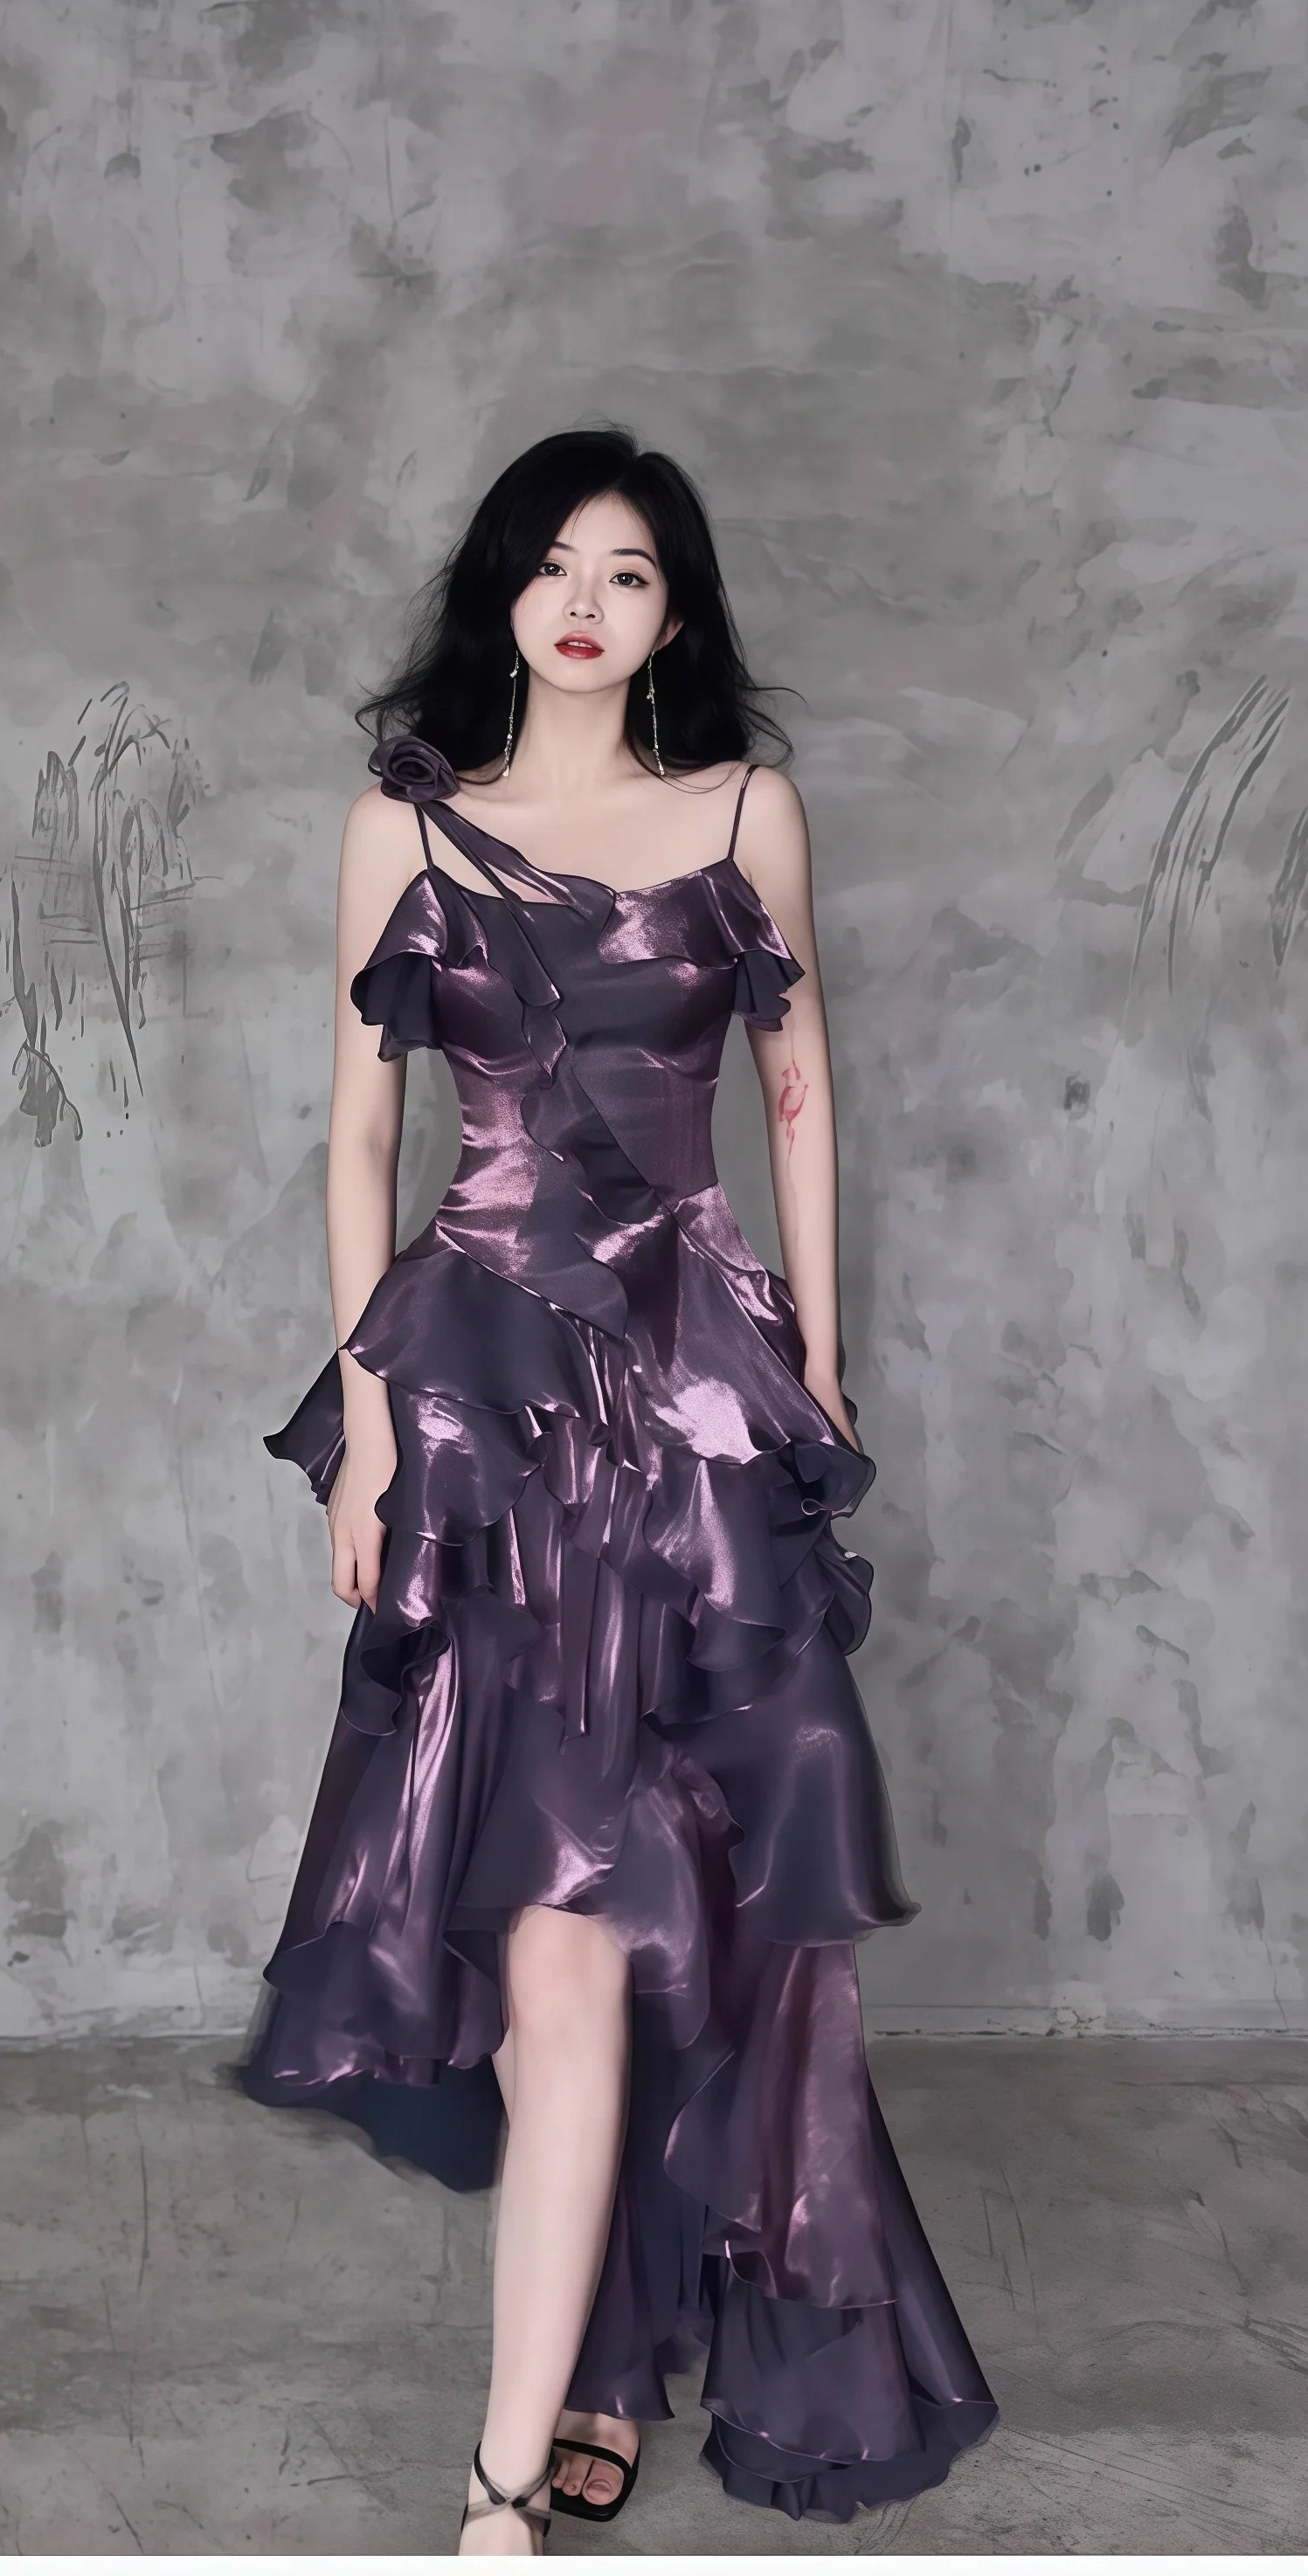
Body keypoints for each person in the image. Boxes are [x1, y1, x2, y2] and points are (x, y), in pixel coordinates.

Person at [238, 426, 999, 2552]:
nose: (585, 601)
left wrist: (812, 1365)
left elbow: (800, 1086)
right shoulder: (403, 824)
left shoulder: (743, 810)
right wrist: (368, 1426)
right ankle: (556, 2402)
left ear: (673, 617)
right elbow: (358, 1135)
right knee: (559, 1941)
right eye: (554, 563)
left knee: (680, 1918)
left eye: (632, 572)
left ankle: (521, 2465)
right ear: (503, 592)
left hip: (688, 1410)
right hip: (484, 1407)